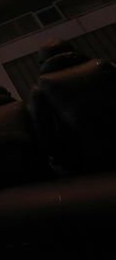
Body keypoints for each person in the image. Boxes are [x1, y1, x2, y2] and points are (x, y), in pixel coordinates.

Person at [29, 39, 116, 174]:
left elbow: (44, 130)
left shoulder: (42, 86)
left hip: (82, 153)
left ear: (42, 61)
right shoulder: (103, 66)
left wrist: (57, 156)